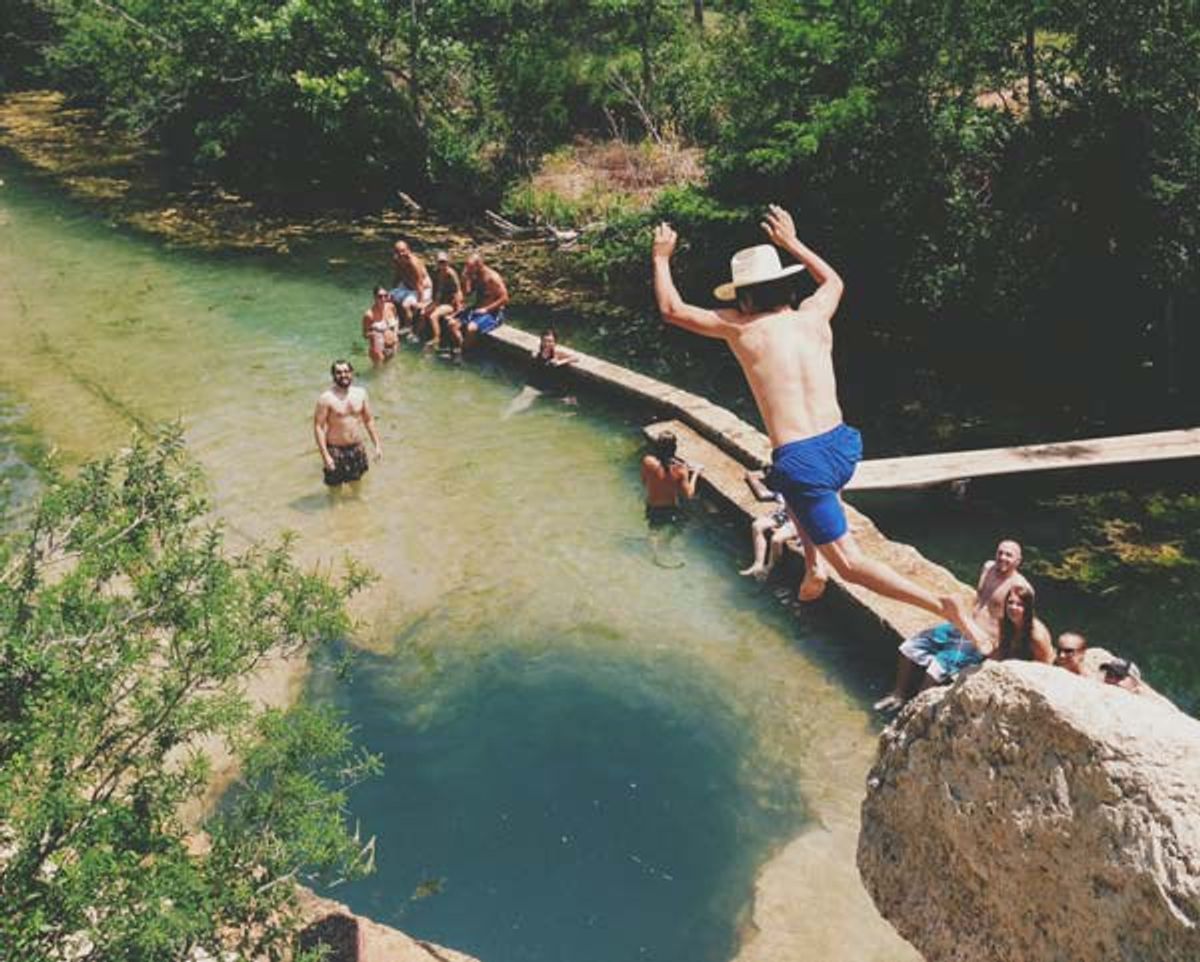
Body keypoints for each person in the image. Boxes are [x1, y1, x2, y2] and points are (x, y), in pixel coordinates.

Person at [652, 207, 976, 636]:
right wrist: (792, 242)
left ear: (744, 298)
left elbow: (672, 309)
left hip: (804, 461)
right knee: (791, 485)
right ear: (786, 285)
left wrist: (660, 257)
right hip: (844, 446)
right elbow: (835, 281)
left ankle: (941, 604)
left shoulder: (741, 329)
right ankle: (813, 566)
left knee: (851, 563)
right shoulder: (813, 315)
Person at [874, 540, 1033, 711]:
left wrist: (1000, 654)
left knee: (935, 670)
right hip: (962, 625)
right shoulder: (988, 568)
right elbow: (979, 600)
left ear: (1018, 561)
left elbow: (1021, 624)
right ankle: (898, 695)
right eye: (1000, 552)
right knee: (909, 647)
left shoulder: (1020, 587)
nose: (1003, 557)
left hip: (979, 640)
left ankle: (914, 712)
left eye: (1009, 555)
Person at [313, 360, 382, 486]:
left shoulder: (361, 393)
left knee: (356, 483)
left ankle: (357, 505)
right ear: (333, 376)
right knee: (335, 487)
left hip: (356, 448)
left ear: (352, 373)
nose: (343, 375)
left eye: (346, 371)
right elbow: (318, 427)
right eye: (338, 372)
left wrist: (377, 445)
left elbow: (368, 420)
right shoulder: (326, 398)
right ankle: (336, 506)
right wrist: (325, 456)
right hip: (335, 450)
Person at [505, 327, 579, 417]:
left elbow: (575, 358)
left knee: (570, 405)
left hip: (550, 386)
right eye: (545, 341)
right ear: (541, 341)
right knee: (521, 401)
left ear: (555, 342)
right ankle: (505, 416)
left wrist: (560, 362)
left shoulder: (557, 353)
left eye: (550, 341)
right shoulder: (538, 352)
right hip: (535, 383)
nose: (547, 344)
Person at [739, 471, 799, 582]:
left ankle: (769, 569)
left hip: (800, 518)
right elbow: (756, 479)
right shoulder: (780, 484)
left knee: (776, 539)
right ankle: (758, 563)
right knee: (757, 526)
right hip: (785, 512)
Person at [447, 253, 509, 353]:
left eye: (470, 267)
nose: (468, 269)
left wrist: (486, 309)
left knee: (471, 328)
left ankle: (463, 353)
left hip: (492, 312)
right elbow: (467, 294)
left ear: (478, 265)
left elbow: (505, 298)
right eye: (467, 266)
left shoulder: (492, 278)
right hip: (477, 309)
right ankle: (460, 348)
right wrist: (466, 280)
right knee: (452, 323)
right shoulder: (475, 276)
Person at [641, 431, 702, 527]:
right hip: (669, 509)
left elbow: (644, 481)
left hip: (652, 508)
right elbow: (689, 495)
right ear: (674, 448)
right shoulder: (680, 470)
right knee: (682, 524)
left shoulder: (647, 461)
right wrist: (696, 473)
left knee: (654, 531)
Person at [421, 251, 463, 349]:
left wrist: (457, 311)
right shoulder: (436, 273)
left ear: (448, 262)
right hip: (439, 302)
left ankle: (437, 339)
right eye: (440, 262)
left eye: (444, 262)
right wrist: (432, 302)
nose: (442, 265)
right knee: (423, 313)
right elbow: (437, 290)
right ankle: (423, 335)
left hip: (449, 304)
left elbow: (458, 292)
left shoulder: (451, 274)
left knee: (433, 316)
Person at [390, 240, 433, 335]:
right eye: (398, 251)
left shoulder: (414, 263)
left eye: (403, 250)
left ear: (408, 250)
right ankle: (393, 321)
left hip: (422, 289)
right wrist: (393, 290)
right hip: (407, 285)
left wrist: (421, 302)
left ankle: (408, 327)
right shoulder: (396, 260)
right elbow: (397, 276)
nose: (401, 254)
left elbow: (420, 283)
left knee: (406, 305)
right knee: (389, 297)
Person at [362, 284, 400, 364]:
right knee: (379, 373)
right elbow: (365, 335)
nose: (383, 299)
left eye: (385, 296)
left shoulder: (391, 307)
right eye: (380, 296)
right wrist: (379, 334)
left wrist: (395, 334)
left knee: (392, 368)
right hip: (378, 348)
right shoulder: (369, 315)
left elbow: (396, 319)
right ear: (375, 297)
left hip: (393, 344)